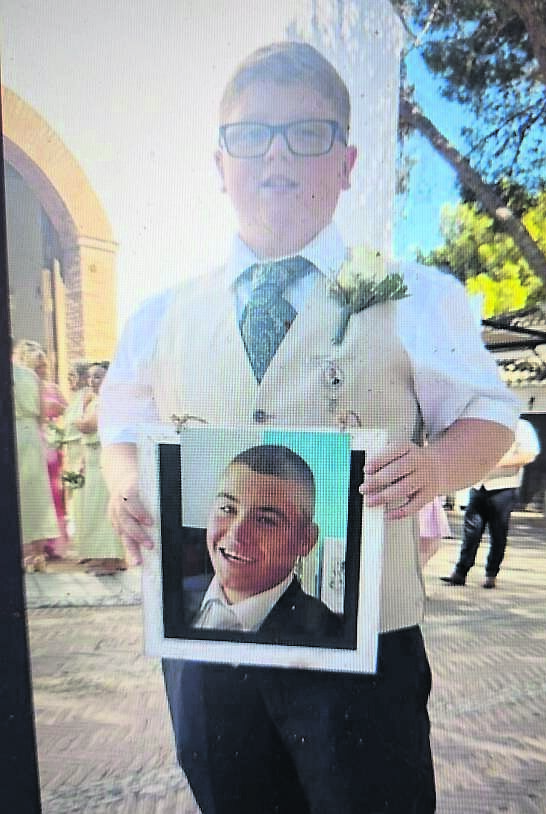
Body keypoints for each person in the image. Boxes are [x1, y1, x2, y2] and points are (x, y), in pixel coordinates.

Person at [100, 42, 520, 814]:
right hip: (209, 659)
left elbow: (493, 418)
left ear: (348, 160)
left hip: (364, 659)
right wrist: (125, 483)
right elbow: (123, 418)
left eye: (307, 134)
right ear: (220, 162)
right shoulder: (163, 316)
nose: (278, 156)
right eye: (252, 135)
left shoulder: (419, 298)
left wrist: (434, 467)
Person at [183, 444, 341, 639]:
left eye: (265, 520)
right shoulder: (173, 600)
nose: (236, 533)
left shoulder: (329, 636)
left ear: (305, 540)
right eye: (227, 509)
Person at [441, 418, 540, 589]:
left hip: (503, 487)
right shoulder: (483, 425)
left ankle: (491, 575)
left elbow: (529, 454)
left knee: (498, 533)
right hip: (478, 485)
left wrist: (496, 462)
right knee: (471, 532)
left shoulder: (520, 426)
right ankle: (460, 572)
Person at [75, 363, 126, 576]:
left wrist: (78, 413)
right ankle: (101, 555)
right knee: (95, 510)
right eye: (90, 377)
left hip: (104, 458)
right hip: (92, 458)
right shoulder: (94, 401)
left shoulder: (107, 401)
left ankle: (111, 560)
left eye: (98, 376)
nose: (92, 381)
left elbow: (87, 425)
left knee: (103, 507)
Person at [12, 360, 60, 573]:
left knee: (17, 494)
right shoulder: (31, 375)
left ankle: (22, 554)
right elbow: (42, 413)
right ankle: (37, 553)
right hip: (31, 432)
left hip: (12, 430)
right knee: (36, 493)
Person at [61, 362, 89, 545]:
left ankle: (86, 542)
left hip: (80, 449)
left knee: (81, 494)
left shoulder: (86, 396)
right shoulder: (74, 397)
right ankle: (80, 543)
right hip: (70, 450)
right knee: (73, 495)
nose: (69, 380)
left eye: (72, 375)